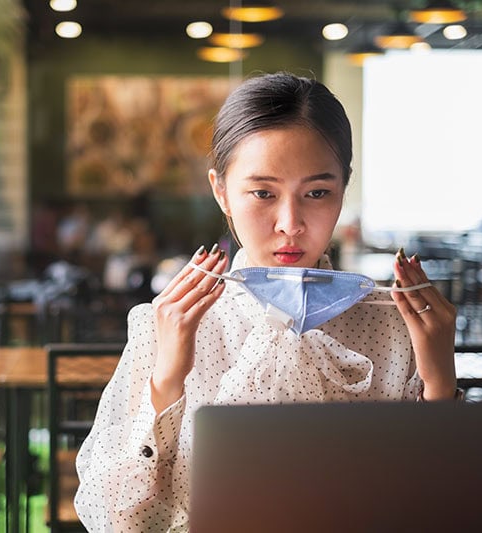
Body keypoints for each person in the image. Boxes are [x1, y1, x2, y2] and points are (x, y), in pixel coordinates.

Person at [74, 72, 458, 532]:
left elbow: (441, 506)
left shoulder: (396, 327)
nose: (290, 224)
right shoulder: (163, 325)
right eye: (262, 193)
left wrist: (440, 385)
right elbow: (110, 518)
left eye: (317, 192)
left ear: (343, 188)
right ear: (221, 191)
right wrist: (167, 380)